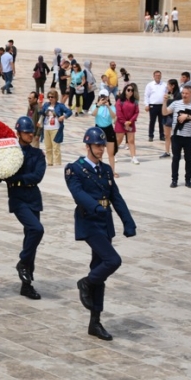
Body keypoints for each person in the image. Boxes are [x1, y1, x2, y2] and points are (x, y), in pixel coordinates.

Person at [65, 127, 136, 341]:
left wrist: (128, 221)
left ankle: (95, 322)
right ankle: (85, 282)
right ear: (87, 146)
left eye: (103, 146)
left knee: (100, 271)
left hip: (105, 222)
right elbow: (77, 193)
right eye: (97, 146)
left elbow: (116, 196)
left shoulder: (105, 170)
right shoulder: (74, 169)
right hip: (89, 222)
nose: (101, 149)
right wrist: (94, 207)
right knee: (112, 260)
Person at [6, 116, 45, 299]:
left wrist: (18, 179)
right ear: (18, 133)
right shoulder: (11, 153)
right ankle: (23, 263)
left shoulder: (37, 154)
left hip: (33, 199)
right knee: (36, 229)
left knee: (31, 238)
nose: (30, 135)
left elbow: (37, 176)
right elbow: (5, 173)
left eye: (31, 132)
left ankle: (26, 283)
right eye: (27, 132)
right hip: (18, 199)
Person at [163, 85, 191, 188]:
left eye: (187, 93)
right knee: (175, 158)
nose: (184, 95)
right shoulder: (176, 103)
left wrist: (187, 116)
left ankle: (188, 180)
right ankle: (174, 180)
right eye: (183, 93)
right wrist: (164, 101)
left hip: (189, 137)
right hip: (177, 136)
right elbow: (165, 112)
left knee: (188, 159)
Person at [39, 90, 71, 166]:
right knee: (48, 147)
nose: (50, 98)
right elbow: (41, 113)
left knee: (56, 148)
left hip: (55, 129)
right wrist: (40, 106)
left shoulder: (60, 106)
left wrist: (63, 116)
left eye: (52, 97)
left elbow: (69, 112)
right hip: (46, 128)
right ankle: (49, 163)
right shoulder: (46, 105)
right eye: (49, 97)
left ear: (56, 97)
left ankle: (57, 164)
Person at [91, 92, 118, 175]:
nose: (103, 99)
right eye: (102, 97)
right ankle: (100, 170)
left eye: (105, 97)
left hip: (109, 129)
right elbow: (93, 114)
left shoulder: (112, 107)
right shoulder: (95, 106)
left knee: (111, 153)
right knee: (99, 152)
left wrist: (108, 106)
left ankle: (112, 171)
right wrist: (98, 105)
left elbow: (113, 116)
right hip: (99, 129)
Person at [114, 83, 140, 164]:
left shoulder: (135, 101)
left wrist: (130, 121)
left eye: (132, 90)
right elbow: (119, 112)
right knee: (119, 140)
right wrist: (124, 122)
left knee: (131, 140)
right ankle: (113, 154)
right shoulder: (120, 101)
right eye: (128, 90)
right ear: (125, 91)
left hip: (130, 124)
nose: (130, 92)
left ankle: (133, 157)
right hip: (121, 123)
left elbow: (136, 112)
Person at [143, 70, 167, 142]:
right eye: (156, 75)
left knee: (162, 121)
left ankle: (162, 135)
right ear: (153, 76)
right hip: (153, 106)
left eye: (159, 75)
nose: (158, 77)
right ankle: (151, 135)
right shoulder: (150, 85)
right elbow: (146, 95)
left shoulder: (164, 85)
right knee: (152, 121)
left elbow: (168, 94)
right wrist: (146, 104)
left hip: (162, 106)